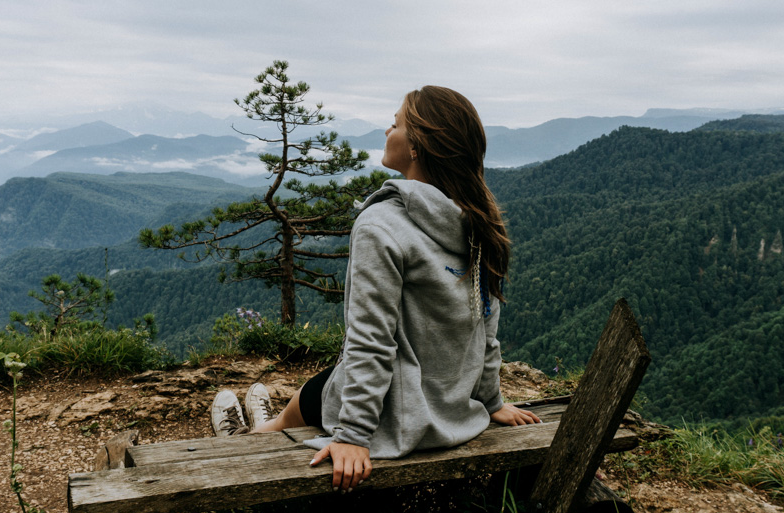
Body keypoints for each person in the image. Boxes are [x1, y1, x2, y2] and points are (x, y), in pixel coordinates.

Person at [211, 85, 540, 492]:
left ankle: (250, 437)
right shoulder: (480, 225)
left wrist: (352, 435)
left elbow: (370, 340)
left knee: (307, 402)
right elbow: (484, 327)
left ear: (416, 146)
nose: (388, 131)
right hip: (452, 410)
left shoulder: (382, 224)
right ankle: (265, 421)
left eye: (396, 123)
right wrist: (491, 402)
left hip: (398, 418)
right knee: (317, 386)